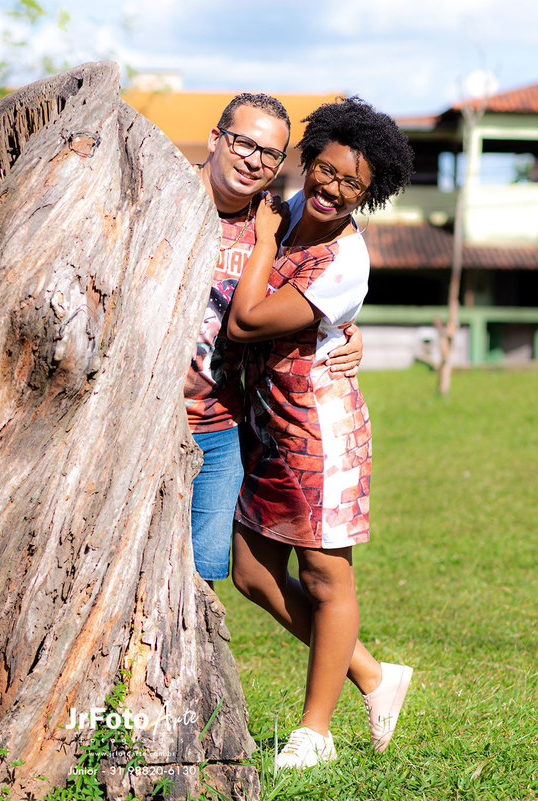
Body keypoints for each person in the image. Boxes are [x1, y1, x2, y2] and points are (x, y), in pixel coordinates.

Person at [226, 97, 415, 768]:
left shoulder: (343, 259)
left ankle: (316, 732)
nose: (333, 189)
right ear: (310, 159)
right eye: (327, 170)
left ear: (370, 193)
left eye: (352, 184)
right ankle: (372, 674)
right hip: (267, 428)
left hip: (319, 429)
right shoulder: (288, 209)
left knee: (326, 578)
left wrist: (266, 242)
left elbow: (246, 322)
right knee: (251, 572)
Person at [187, 93, 363, 588]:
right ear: (215, 139)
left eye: (270, 154)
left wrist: (347, 330)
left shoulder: (273, 223)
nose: (254, 161)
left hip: (219, 428)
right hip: (142, 421)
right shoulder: (160, 200)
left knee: (200, 579)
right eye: (244, 144)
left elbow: (313, 288)